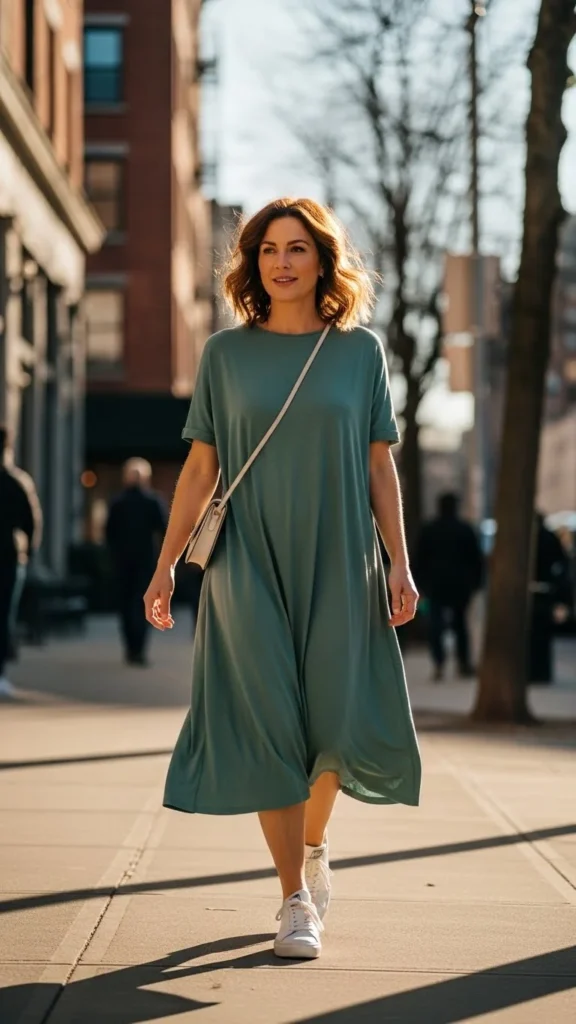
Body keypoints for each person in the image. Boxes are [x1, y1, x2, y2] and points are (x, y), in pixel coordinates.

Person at [144, 197, 421, 960]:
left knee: (331, 723)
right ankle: (294, 900)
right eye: (269, 249)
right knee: (270, 723)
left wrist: (399, 560)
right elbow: (201, 467)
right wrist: (165, 566)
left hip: (339, 557)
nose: (283, 262)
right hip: (248, 564)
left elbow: (378, 464)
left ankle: (314, 843)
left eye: (298, 248)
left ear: (323, 260)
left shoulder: (359, 352)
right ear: (253, 262)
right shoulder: (225, 357)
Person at [414, 492, 484, 681]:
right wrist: (476, 583)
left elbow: (419, 559)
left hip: (435, 585)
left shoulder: (429, 529)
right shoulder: (465, 529)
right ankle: (463, 662)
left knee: (436, 625)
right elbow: (476, 560)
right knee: (460, 624)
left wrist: (420, 584)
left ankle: (439, 662)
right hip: (460, 585)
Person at [106, 458, 167, 666]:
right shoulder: (152, 501)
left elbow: (109, 533)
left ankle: (130, 648)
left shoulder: (118, 502)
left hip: (122, 561)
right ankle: (139, 649)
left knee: (125, 605)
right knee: (144, 604)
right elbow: (164, 529)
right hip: (145, 561)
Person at [0, 426, 42, 697]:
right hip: (8, 555)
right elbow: (31, 523)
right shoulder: (17, 481)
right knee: (4, 616)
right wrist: (29, 554)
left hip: (9, 555)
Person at [528, 513, 572, 684]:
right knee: (543, 636)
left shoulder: (530, 540)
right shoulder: (549, 537)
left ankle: (532, 672)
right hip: (546, 591)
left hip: (534, 591)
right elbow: (561, 564)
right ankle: (542, 673)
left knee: (532, 635)